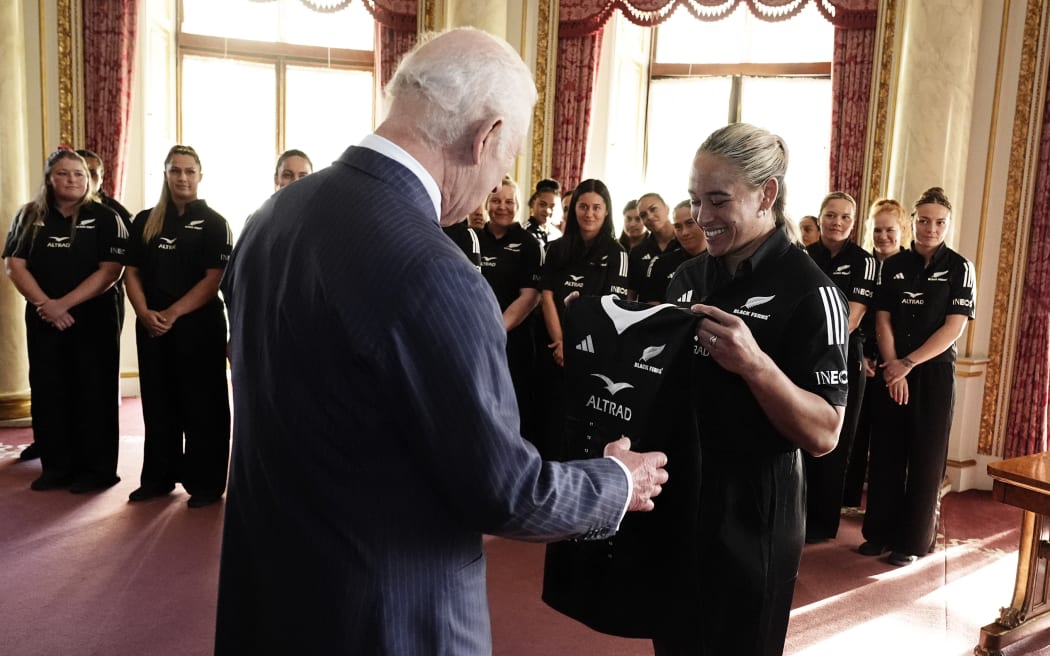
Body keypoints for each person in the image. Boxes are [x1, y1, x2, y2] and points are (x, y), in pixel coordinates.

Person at [213, 28, 668, 655]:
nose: (494, 186)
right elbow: (504, 492)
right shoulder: (435, 269)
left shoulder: (270, 219)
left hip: (269, 591)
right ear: (484, 137)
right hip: (388, 615)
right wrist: (617, 481)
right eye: (504, 163)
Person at [665, 122, 848, 655]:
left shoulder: (813, 291)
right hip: (678, 503)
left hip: (755, 516)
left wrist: (757, 366)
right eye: (696, 200)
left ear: (767, 193)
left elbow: (825, 433)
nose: (702, 218)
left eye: (718, 200)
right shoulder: (687, 279)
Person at [859, 187, 975, 567]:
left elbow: (954, 328)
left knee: (926, 457)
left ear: (948, 224)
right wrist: (893, 367)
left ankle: (912, 541)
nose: (930, 228)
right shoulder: (892, 267)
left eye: (939, 222)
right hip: (894, 369)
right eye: (923, 220)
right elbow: (882, 319)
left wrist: (907, 364)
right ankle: (879, 533)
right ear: (912, 221)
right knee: (887, 453)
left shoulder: (960, 267)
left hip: (932, 373)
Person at [2, 148, 126, 492]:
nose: (72, 179)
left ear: (88, 180)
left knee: (93, 392)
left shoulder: (104, 217)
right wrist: (46, 304)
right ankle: (56, 467)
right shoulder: (28, 216)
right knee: (49, 391)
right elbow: (15, 265)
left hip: (93, 319)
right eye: (64, 173)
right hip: (44, 319)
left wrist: (65, 304)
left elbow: (111, 271)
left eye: (79, 174)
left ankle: (96, 471)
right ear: (49, 178)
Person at [123, 144, 232, 508]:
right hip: (152, 327)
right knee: (158, 403)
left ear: (200, 175)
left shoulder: (215, 223)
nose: (182, 177)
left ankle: (205, 484)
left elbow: (213, 279)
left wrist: (172, 313)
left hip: (198, 329)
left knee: (203, 406)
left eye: (189, 171)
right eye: (175, 171)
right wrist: (144, 312)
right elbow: (131, 272)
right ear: (166, 174)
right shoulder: (145, 220)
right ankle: (157, 478)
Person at [802, 191, 877, 543]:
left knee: (835, 442)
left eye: (845, 217)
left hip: (844, 355)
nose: (837, 222)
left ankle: (821, 524)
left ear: (853, 222)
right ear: (820, 218)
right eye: (830, 215)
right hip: (802, 353)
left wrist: (815, 340)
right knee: (801, 435)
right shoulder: (804, 256)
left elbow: (854, 316)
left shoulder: (865, 261)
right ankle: (797, 516)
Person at [842, 197, 909, 507]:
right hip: (861, 361)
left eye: (890, 230)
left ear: (903, 230)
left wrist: (892, 362)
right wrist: (864, 357)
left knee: (891, 443)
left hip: (899, 367)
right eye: (877, 230)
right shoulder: (862, 264)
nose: (883, 236)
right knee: (855, 435)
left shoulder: (910, 267)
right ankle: (849, 501)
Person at [478, 176, 544, 449]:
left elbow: (529, 297)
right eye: (495, 201)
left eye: (508, 201)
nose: (501, 207)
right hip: (475, 338)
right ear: (486, 204)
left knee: (512, 410)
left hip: (511, 341)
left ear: (518, 205)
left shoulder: (529, 244)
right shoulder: (473, 238)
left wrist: (494, 330)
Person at [637, 199, 706, 305]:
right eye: (678, 227)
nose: (684, 232)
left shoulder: (724, 260)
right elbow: (652, 311)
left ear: (703, 221)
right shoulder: (661, 264)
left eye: (690, 223)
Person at [627, 193, 678, 300]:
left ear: (667, 208)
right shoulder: (638, 252)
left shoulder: (686, 243)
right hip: (647, 313)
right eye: (643, 215)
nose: (649, 217)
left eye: (653, 209)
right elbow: (630, 295)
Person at [525, 178, 561, 246]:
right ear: (533, 203)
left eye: (552, 206)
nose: (547, 211)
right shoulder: (524, 232)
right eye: (542, 204)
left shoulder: (557, 234)